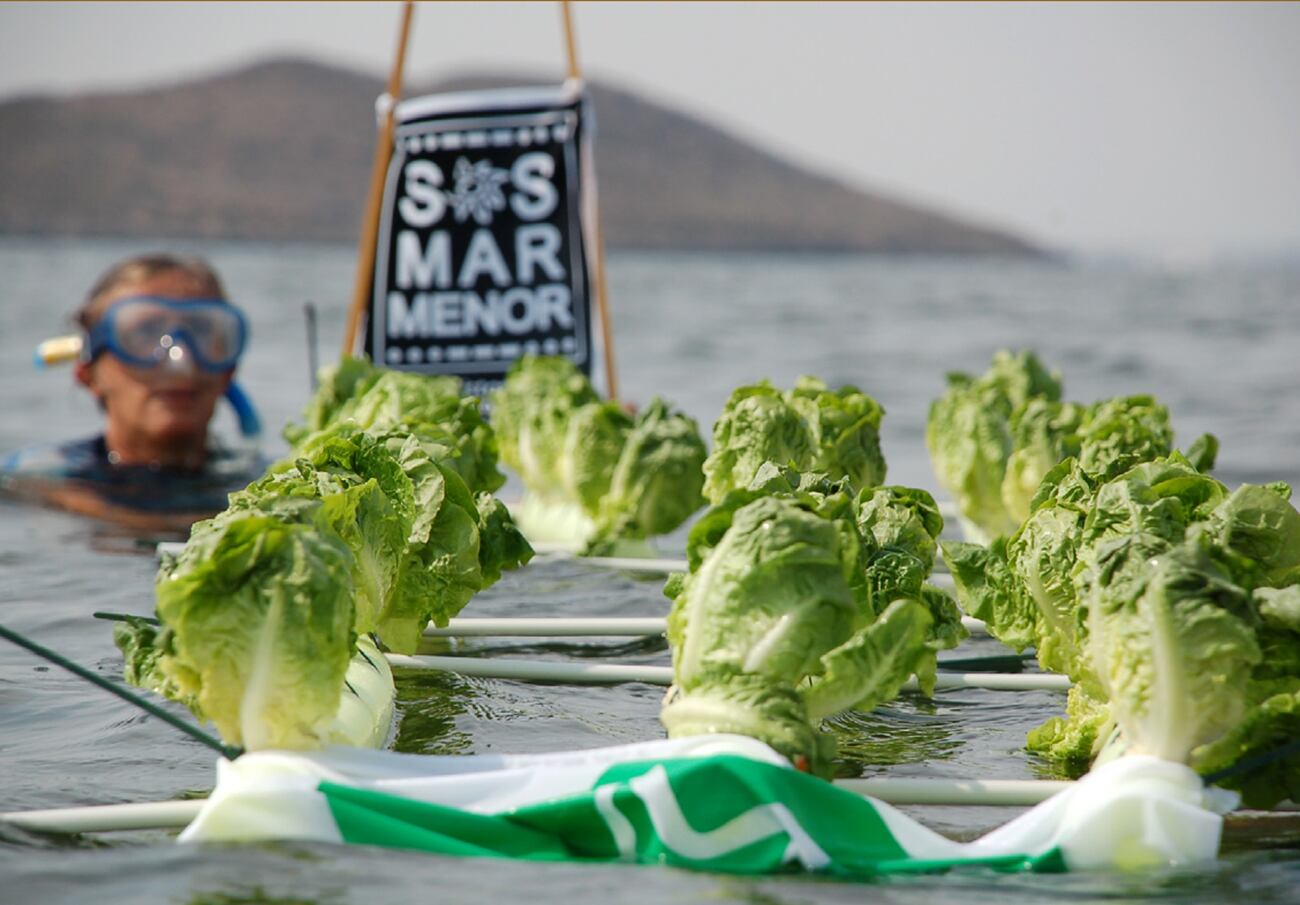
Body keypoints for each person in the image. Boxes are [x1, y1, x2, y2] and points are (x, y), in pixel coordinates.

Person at [0, 253, 264, 532]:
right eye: (144, 333)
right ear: (87, 374)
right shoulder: (34, 480)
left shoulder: (268, 486)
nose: (181, 362)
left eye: (202, 331)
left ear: (228, 372)